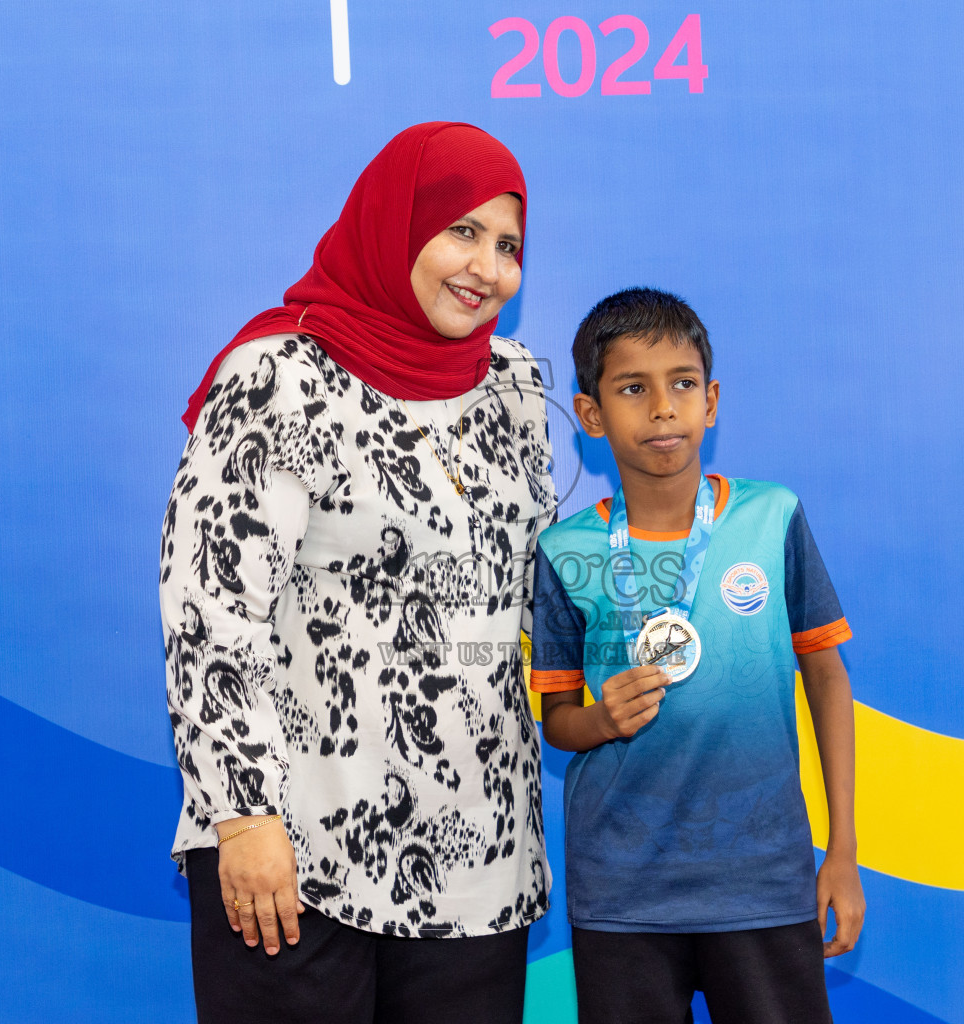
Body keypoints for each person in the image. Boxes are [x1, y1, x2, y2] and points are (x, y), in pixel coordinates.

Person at [159, 122, 556, 1024]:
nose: (485, 267)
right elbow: (210, 612)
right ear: (395, 223)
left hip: (476, 854)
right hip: (299, 849)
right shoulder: (281, 375)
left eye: (509, 246)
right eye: (461, 231)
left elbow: (531, 584)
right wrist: (245, 817)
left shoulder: (516, 385)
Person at [530, 287, 865, 1023]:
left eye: (682, 384)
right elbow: (557, 720)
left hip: (763, 883)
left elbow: (828, 678)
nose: (662, 408)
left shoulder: (770, 517)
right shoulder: (564, 551)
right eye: (632, 389)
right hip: (622, 896)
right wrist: (603, 719)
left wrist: (840, 851)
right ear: (590, 415)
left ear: (711, 401)